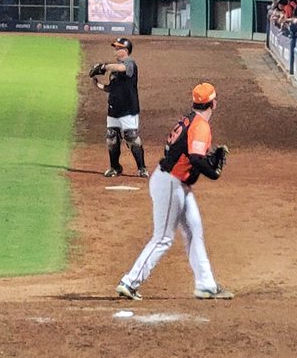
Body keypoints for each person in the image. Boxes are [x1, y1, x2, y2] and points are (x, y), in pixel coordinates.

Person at [116, 82, 234, 301]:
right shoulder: (200, 126)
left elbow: (183, 152)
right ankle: (129, 282)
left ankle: (206, 285)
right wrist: (212, 172)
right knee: (163, 237)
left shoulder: (189, 119)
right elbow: (196, 158)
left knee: (194, 230)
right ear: (213, 103)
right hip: (170, 183)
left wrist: (204, 164)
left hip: (176, 182)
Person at [90, 37, 148, 178]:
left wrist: (104, 67)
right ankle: (115, 168)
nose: (115, 50)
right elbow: (112, 88)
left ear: (125, 50)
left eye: (118, 48)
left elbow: (122, 68)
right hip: (114, 108)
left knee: (131, 137)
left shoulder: (129, 63)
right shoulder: (115, 70)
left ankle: (142, 168)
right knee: (112, 137)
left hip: (128, 109)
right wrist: (99, 85)